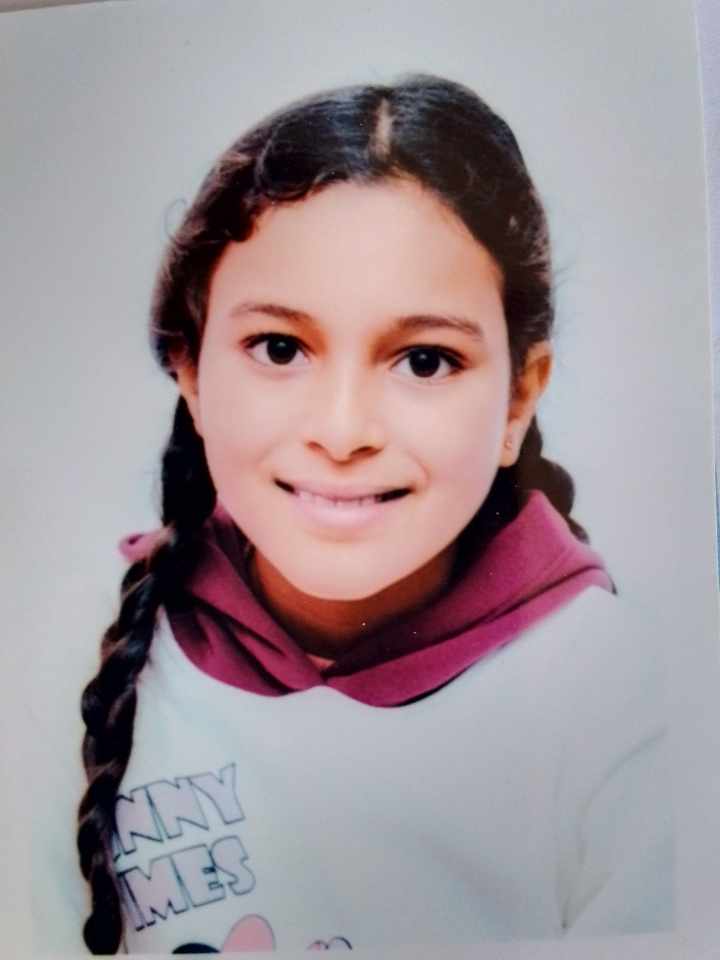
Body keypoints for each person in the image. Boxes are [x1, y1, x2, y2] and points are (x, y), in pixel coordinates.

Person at [72, 74, 671, 954]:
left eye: (424, 360)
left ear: (519, 397)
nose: (344, 430)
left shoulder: (629, 706)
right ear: (191, 371)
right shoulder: (71, 658)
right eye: (281, 348)